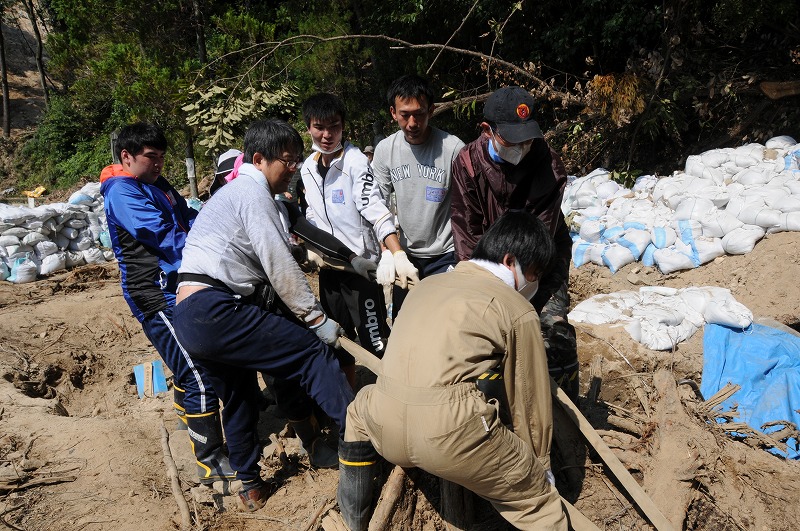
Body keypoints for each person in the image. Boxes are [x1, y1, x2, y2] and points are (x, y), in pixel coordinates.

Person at [337, 211, 567, 531]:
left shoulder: (427, 285)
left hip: (383, 420)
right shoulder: (517, 310)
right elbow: (530, 401)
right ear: (510, 260)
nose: (534, 282)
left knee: (358, 409)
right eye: (534, 272)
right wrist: (540, 469)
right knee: (536, 500)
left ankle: (352, 521)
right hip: (450, 434)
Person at [171, 119, 354, 512]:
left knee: (238, 395)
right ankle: (361, 440)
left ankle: (250, 486)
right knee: (311, 353)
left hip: (190, 316)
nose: (293, 168)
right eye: (286, 161)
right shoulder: (253, 193)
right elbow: (278, 264)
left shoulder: (230, 196)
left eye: (295, 160)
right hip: (216, 307)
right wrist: (316, 319)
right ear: (258, 159)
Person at [100, 123, 236, 487]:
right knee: (198, 374)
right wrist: (214, 255)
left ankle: (184, 414)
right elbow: (164, 237)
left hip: (180, 286)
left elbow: (187, 217)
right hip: (153, 293)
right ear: (126, 156)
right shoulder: (123, 192)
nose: (159, 164)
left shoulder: (156, 184)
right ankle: (211, 463)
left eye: (161, 157)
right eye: (151, 157)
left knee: (193, 357)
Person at [450, 86, 579, 403]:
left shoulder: (548, 164)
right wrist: (490, 291)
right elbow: (468, 235)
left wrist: (523, 289)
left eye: (527, 138)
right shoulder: (467, 165)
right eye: (512, 139)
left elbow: (539, 234)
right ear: (487, 130)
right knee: (491, 337)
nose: (521, 147)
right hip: (488, 264)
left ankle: (567, 415)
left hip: (542, 259)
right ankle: (503, 407)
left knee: (553, 332)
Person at [300, 93, 391, 359]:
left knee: (374, 340)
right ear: (309, 128)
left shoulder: (355, 162)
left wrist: (390, 249)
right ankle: (346, 396)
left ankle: (389, 392)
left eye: (334, 126)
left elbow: (372, 205)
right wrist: (311, 248)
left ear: (343, 126)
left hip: (360, 268)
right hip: (328, 268)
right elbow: (312, 215)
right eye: (319, 127)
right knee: (336, 341)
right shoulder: (308, 168)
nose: (327, 134)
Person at [370, 74, 465, 317]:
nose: (412, 122)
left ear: (431, 110)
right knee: (405, 320)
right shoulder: (385, 150)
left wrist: (465, 260)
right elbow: (377, 205)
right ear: (393, 112)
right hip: (406, 253)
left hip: (445, 255)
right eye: (404, 114)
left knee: (444, 321)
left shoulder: (453, 149)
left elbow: (467, 207)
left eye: (419, 113)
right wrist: (388, 252)